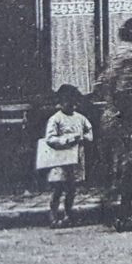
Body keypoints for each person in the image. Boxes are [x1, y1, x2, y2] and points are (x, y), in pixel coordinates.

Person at [99, 16, 132, 232]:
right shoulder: (130, 57)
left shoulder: (116, 54)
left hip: (110, 117)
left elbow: (105, 84)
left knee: (117, 166)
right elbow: (125, 92)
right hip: (124, 120)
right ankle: (122, 216)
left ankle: (109, 208)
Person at [41, 84, 93, 227]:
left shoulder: (80, 118)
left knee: (71, 189)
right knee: (58, 188)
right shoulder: (56, 119)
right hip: (60, 158)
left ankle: (68, 213)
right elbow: (50, 139)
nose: (70, 105)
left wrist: (83, 138)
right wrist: (66, 140)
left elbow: (89, 132)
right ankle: (53, 214)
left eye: (73, 102)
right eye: (66, 102)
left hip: (74, 159)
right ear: (60, 102)